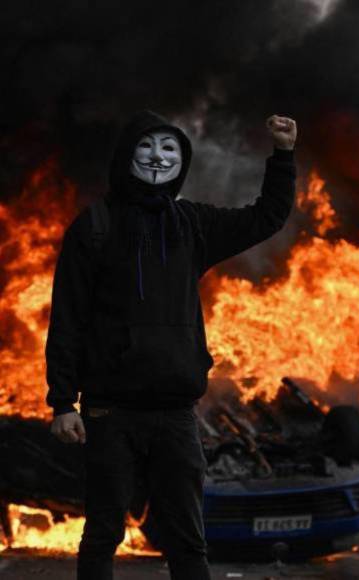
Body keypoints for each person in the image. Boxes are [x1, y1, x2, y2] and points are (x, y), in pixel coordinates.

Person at [45, 110, 297, 580]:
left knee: (187, 538)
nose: (157, 157)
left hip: (176, 413)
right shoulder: (94, 226)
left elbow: (267, 217)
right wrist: (63, 401)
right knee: (103, 534)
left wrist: (283, 155)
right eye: (147, 146)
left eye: (169, 149)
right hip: (108, 412)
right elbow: (68, 318)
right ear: (127, 155)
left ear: (181, 162)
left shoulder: (191, 225)